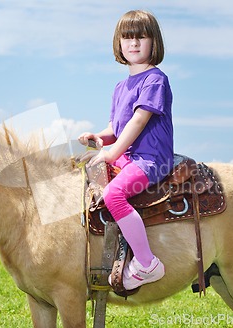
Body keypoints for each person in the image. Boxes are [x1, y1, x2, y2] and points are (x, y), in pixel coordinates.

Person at [78, 9, 174, 290]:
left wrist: (111, 151)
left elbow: (139, 120)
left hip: (151, 158)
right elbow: (116, 126)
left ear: (153, 42)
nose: (133, 43)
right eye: (127, 37)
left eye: (141, 37)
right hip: (128, 154)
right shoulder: (121, 86)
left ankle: (146, 263)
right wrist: (100, 137)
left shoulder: (155, 79)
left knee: (114, 194)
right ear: (118, 44)